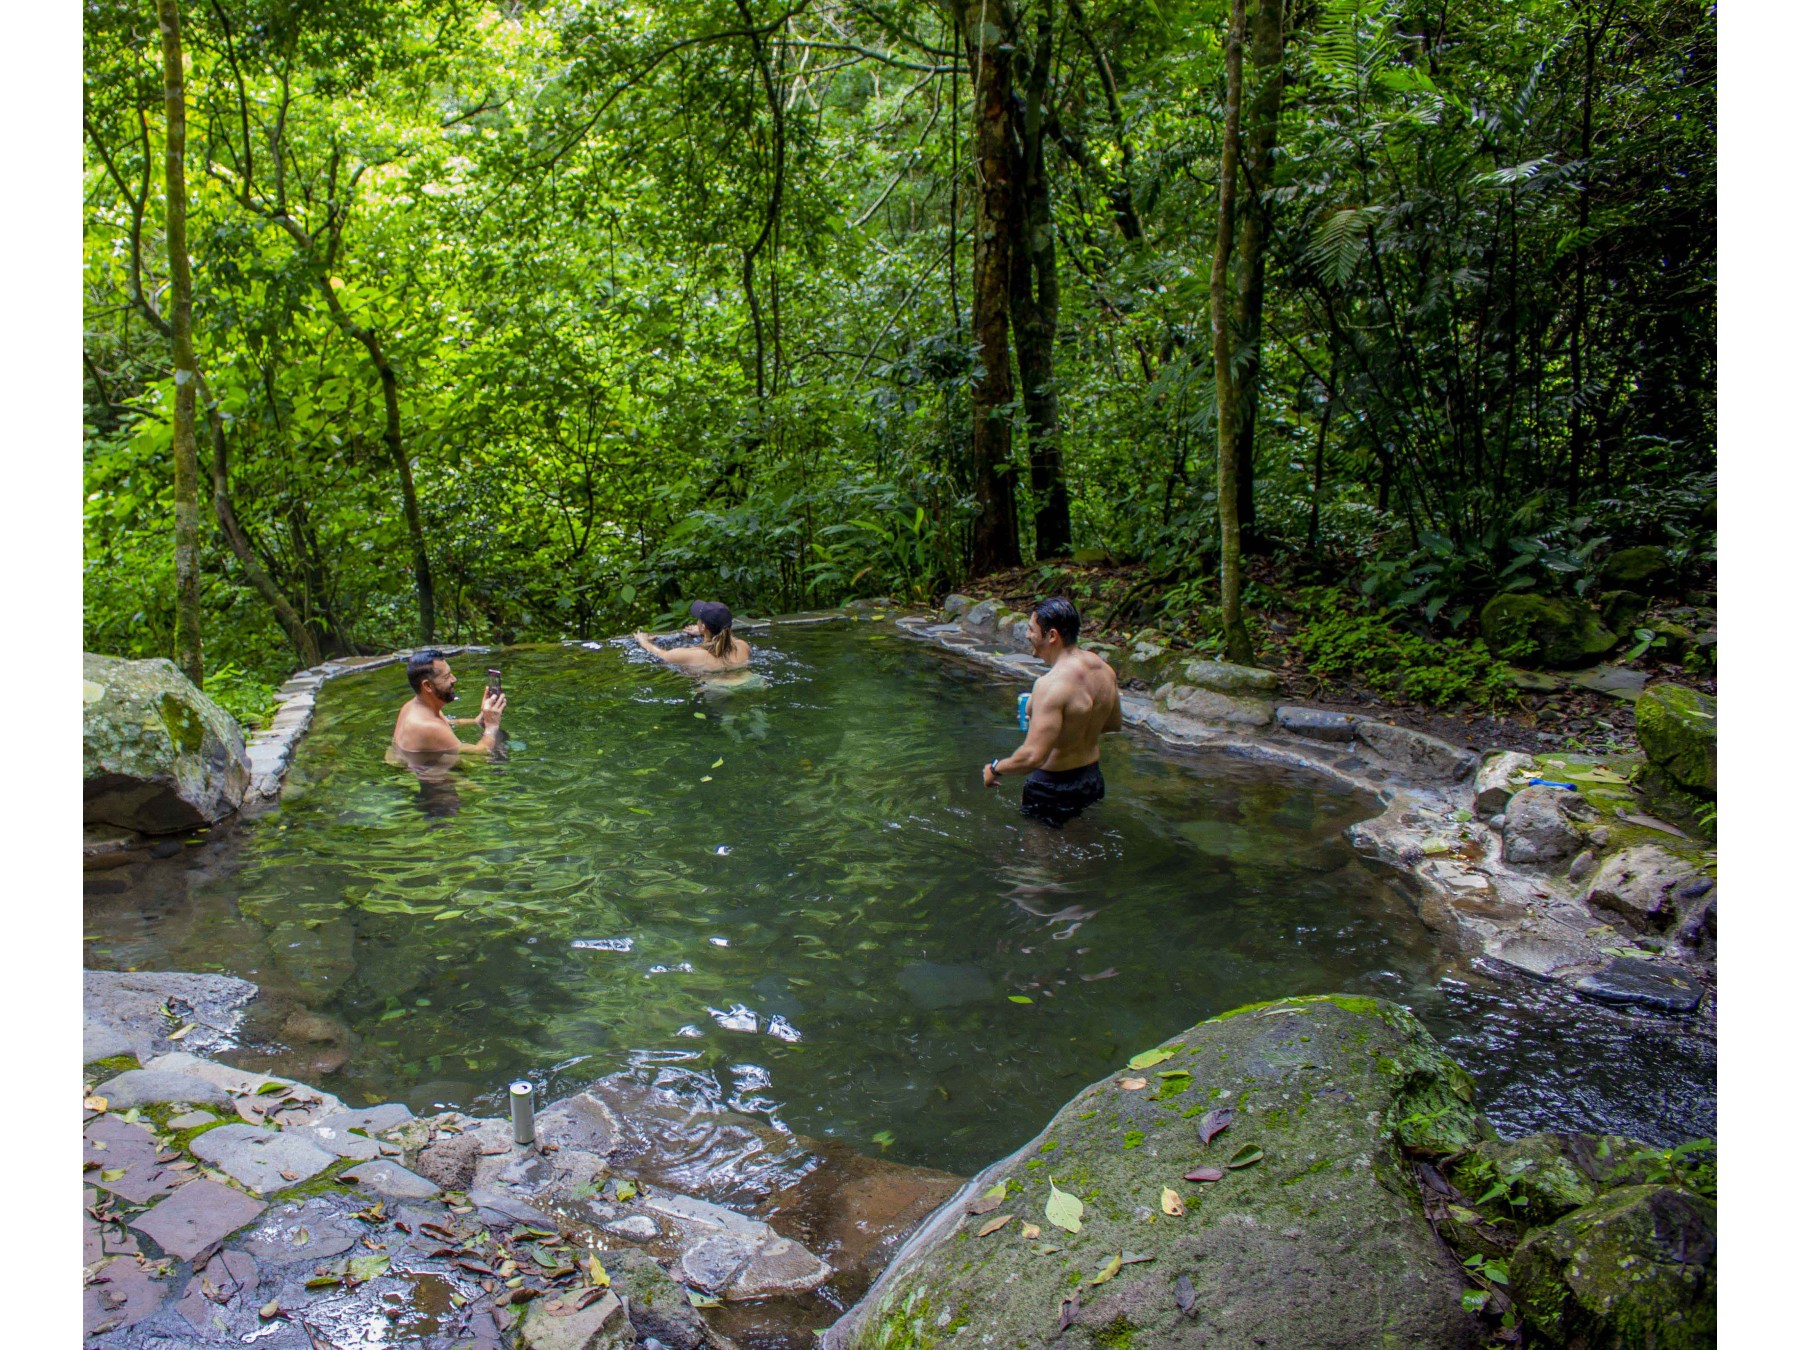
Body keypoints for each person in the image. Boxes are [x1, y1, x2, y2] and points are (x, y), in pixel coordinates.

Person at [982, 596, 1122, 825]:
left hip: (1052, 787)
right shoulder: (1104, 670)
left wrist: (995, 769)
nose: (1027, 635)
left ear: (1052, 636)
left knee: (1041, 857)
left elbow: (1032, 757)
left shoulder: (1050, 685)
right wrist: (1065, 727)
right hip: (1091, 780)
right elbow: (1113, 724)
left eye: (1031, 629)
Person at [391, 649, 506, 756]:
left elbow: (450, 722)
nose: (454, 679)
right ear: (427, 686)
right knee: (499, 752)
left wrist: (481, 718)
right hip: (430, 772)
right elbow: (480, 754)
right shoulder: (429, 727)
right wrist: (491, 726)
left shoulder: (412, 706)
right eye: (447, 677)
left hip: (421, 762)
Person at [633, 600, 751, 672]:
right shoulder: (743, 647)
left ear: (703, 626)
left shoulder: (695, 655)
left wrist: (644, 641)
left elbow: (662, 655)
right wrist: (702, 632)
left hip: (718, 693)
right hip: (751, 683)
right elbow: (726, 637)